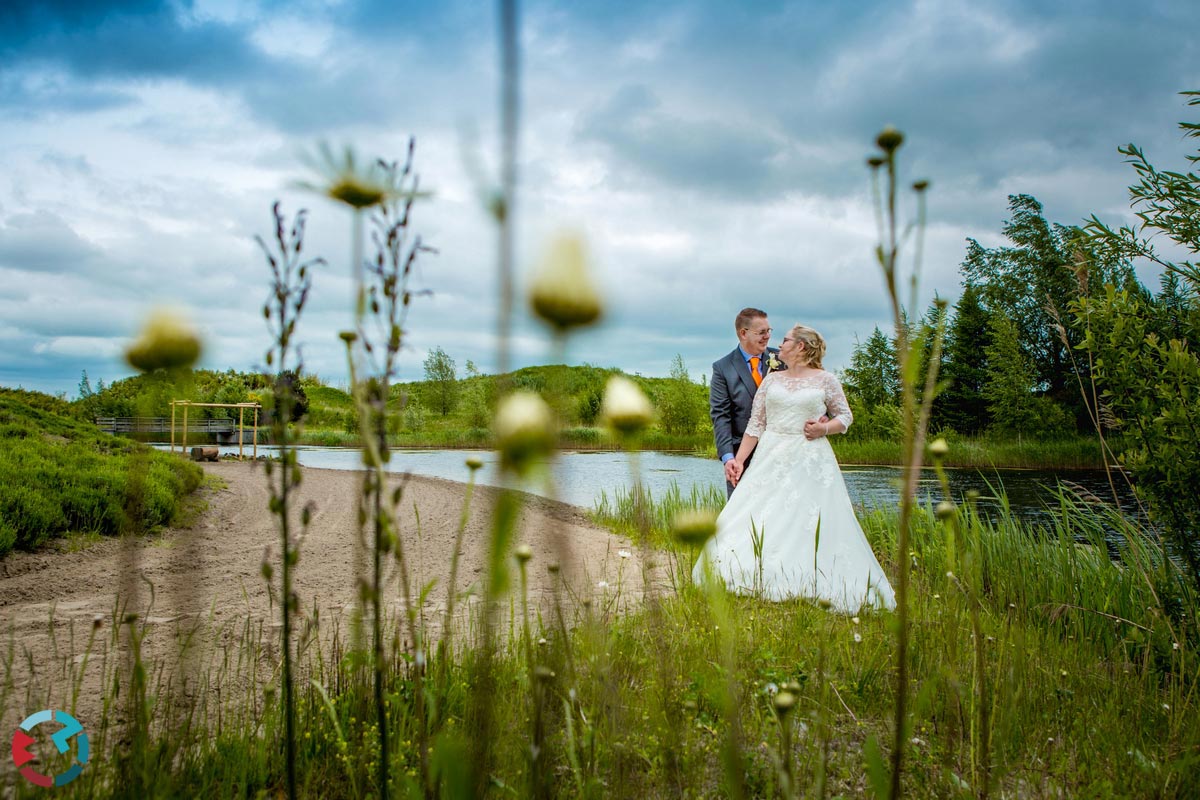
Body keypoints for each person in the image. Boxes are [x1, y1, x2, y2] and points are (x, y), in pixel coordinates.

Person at [694, 324, 896, 612]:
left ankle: (809, 576)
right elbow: (756, 425)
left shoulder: (826, 380)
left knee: (807, 518)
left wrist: (824, 428)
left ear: (801, 347)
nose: (780, 344)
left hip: (809, 457)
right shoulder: (771, 381)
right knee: (761, 513)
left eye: (786, 340)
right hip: (770, 454)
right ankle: (757, 572)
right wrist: (738, 460)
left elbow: (845, 417)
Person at [709, 308, 782, 497]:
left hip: (782, 453)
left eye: (769, 331)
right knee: (741, 518)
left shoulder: (782, 359)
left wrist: (822, 416)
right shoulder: (722, 368)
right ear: (743, 333)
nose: (767, 337)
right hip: (742, 456)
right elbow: (721, 415)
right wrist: (728, 458)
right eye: (761, 332)